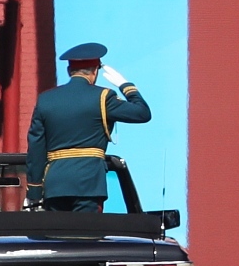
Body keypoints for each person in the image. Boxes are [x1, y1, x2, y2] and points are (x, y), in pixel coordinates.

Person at [26, 42, 151, 212]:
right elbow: (142, 113)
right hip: (89, 183)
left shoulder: (45, 100)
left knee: (56, 236)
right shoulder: (103, 97)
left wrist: (34, 189)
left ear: (69, 71)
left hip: (55, 185)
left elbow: (36, 147)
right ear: (94, 71)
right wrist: (126, 86)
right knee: (86, 235)